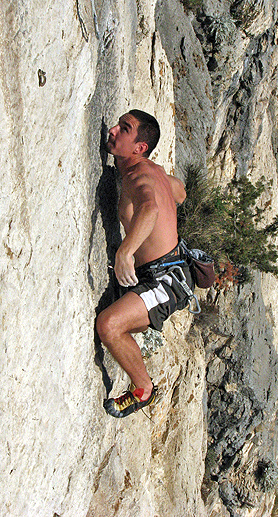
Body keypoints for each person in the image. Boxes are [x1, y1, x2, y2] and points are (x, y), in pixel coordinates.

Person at [96, 109, 194, 418]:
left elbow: (150, 207)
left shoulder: (139, 175)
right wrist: (162, 181)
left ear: (139, 148)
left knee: (109, 326)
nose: (112, 130)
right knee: (119, 320)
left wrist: (126, 251)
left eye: (124, 129)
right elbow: (180, 192)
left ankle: (143, 389)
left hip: (166, 281)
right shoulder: (150, 170)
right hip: (163, 271)